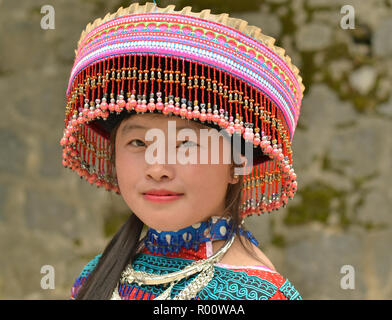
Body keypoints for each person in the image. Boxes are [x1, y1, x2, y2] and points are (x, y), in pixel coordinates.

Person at [61, 2, 304, 300]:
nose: (157, 167)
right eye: (138, 143)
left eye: (185, 145)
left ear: (236, 162)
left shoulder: (261, 295)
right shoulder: (94, 276)